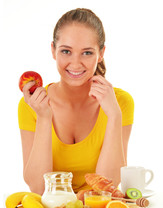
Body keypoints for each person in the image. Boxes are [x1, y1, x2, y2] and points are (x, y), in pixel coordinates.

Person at [18, 8, 134, 195]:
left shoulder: (120, 103)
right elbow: (38, 189)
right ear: (53, 51)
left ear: (101, 53)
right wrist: (44, 118)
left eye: (87, 53)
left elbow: (107, 188)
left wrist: (114, 115)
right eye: (66, 51)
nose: (75, 63)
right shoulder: (31, 104)